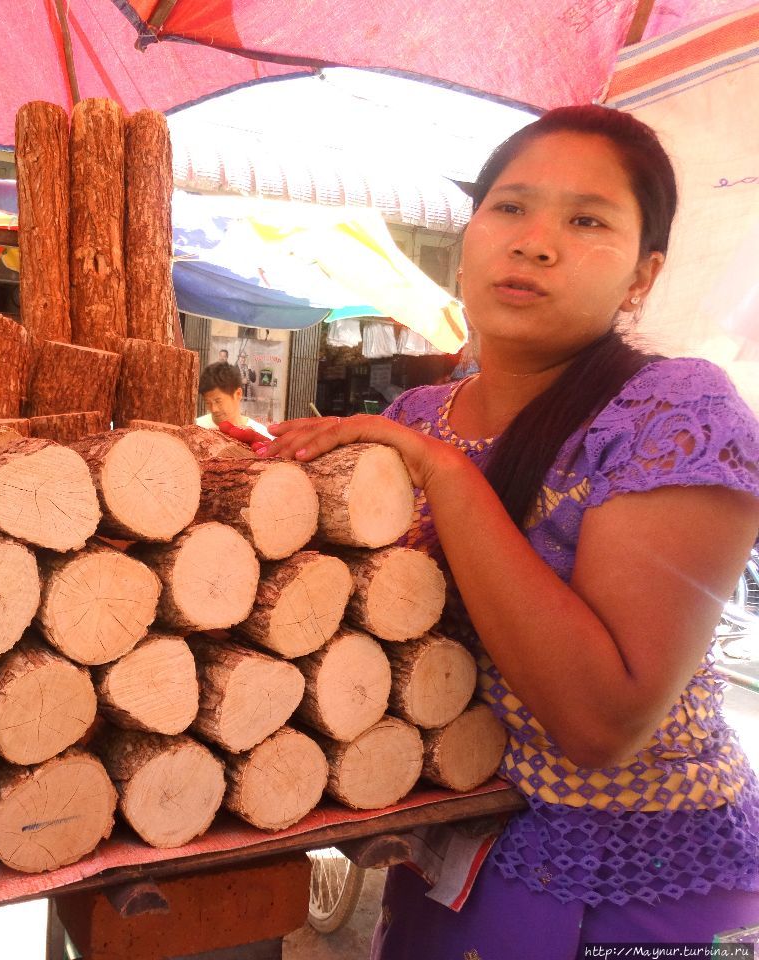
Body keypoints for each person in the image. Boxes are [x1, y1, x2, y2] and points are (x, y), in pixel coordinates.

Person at [253, 105, 759, 951]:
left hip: (628, 888)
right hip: (446, 865)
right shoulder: (420, 410)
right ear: (470, 237)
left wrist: (446, 475)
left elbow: (603, 721)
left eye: (587, 220)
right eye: (510, 207)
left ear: (644, 274)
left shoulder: (676, 413)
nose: (534, 242)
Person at [195, 362, 274, 439]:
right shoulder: (196, 429)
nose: (214, 409)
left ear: (238, 394)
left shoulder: (260, 435)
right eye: (208, 402)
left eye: (218, 401)